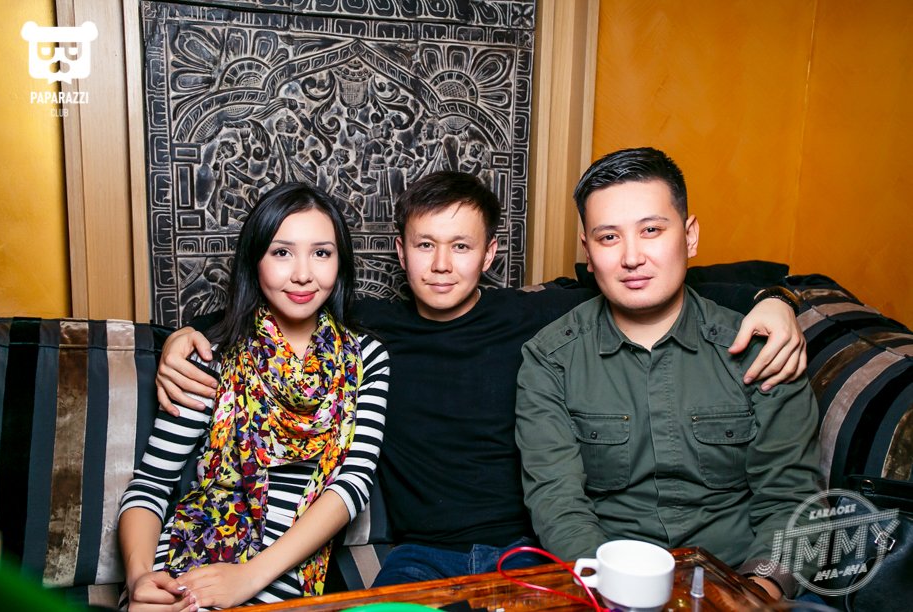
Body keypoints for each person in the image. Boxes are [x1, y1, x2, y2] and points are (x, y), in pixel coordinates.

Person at [154, 171, 806, 586]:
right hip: (419, 556)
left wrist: (777, 299)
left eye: (462, 246)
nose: (442, 265)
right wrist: (186, 334)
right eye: (425, 245)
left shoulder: (537, 315)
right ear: (401, 252)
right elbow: (275, 301)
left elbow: (664, 279)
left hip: (526, 548)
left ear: (490, 253)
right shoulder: (367, 328)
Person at [514, 148, 821, 600]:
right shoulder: (550, 358)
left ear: (689, 236)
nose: (632, 257)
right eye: (608, 237)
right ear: (588, 252)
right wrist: (611, 592)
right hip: (607, 587)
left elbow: (792, 499)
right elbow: (557, 502)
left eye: (651, 230)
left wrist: (756, 592)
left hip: (741, 579)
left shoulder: (763, 348)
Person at [118, 183, 389, 610]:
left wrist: (248, 577)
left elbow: (352, 485)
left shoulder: (366, 357)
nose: (303, 274)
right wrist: (140, 579)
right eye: (282, 253)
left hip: (282, 570)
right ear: (255, 260)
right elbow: (151, 484)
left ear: (340, 263)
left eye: (321, 253)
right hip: (190, 555)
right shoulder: (210, 356)